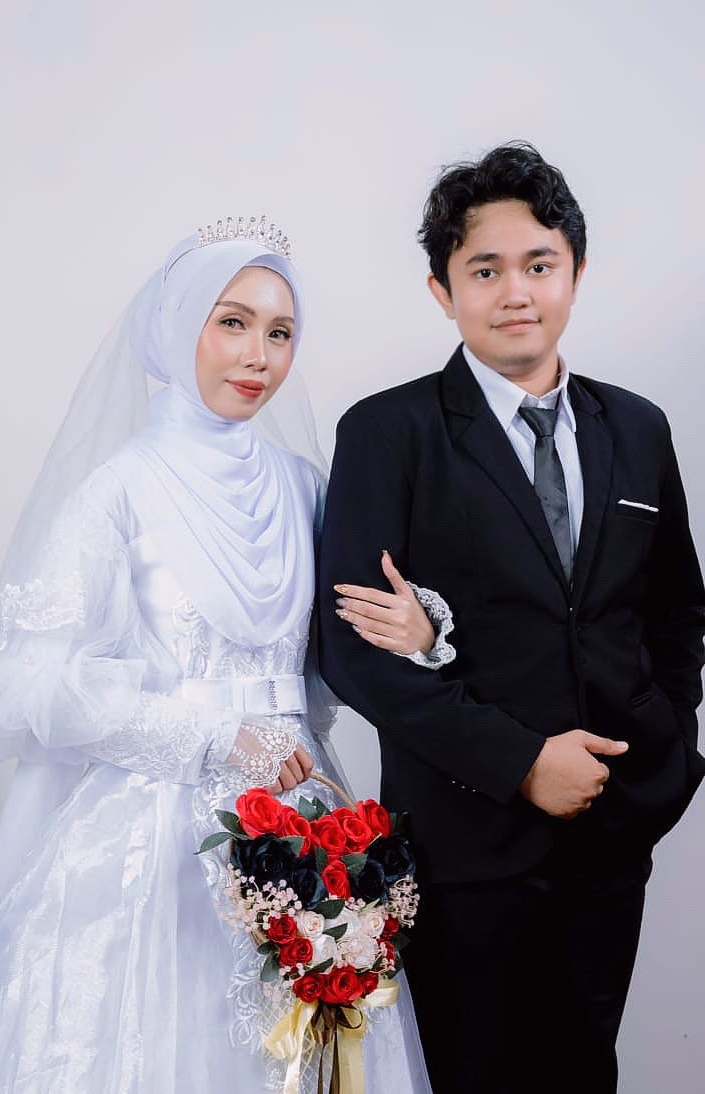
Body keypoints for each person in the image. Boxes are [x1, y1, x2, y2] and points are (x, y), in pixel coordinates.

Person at [0, 219, 436, 1092]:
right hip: (151, 839)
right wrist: (211, 737)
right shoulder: (118, 490)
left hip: (302, 823)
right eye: (232, 322)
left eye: (281, 331)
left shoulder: (302, 485)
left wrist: (425, 632)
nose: (258, 355)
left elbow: (346, 641)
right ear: (178, 324)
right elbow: (25, 684)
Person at [318, 143, 705, 1093]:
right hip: (465, 842)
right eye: (484, 270)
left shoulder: (638, 427)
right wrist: (522, 762)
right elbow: (351, 652)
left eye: (539, 264)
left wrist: (664, 754)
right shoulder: (389, 432)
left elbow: (675, 610)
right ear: (442, 290)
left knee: (586, 1072)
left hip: (612, 832)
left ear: (576, 271)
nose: (516, 292)